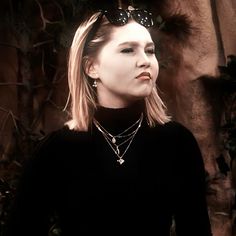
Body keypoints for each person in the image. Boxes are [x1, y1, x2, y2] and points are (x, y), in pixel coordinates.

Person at [6, 5, 212, 236]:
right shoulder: (56, 150)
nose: (145, 61)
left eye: (150, 50)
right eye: (127, 50)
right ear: (92, 67)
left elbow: (197, 230)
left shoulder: (177, 143)